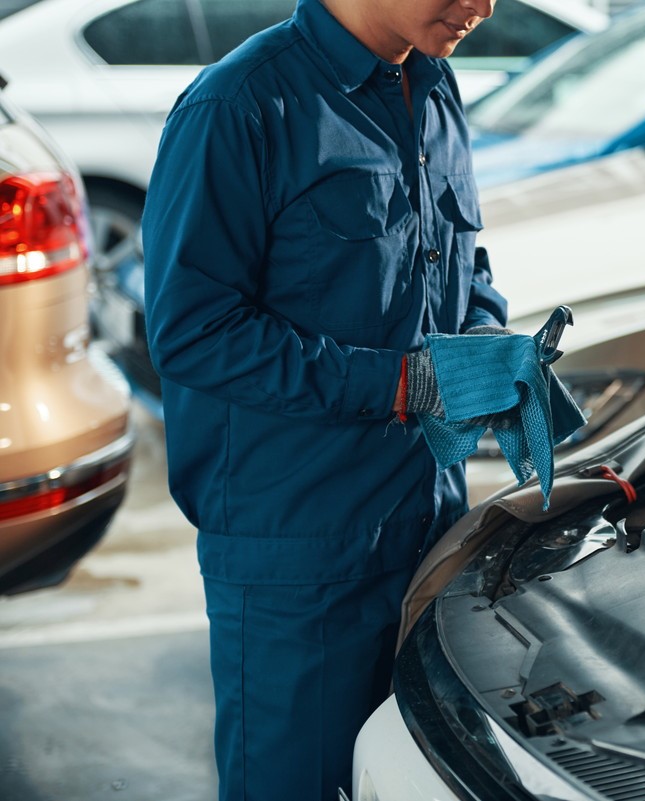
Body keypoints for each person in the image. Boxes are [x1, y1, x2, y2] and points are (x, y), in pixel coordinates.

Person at [141, 0, 506, 798]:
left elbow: (462, 264)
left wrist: (482, 333)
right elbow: (194, 332)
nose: (483, 6)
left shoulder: (435, 87)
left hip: (426, 535)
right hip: (297, 558)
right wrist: (403, 385)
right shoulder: (238, 106)